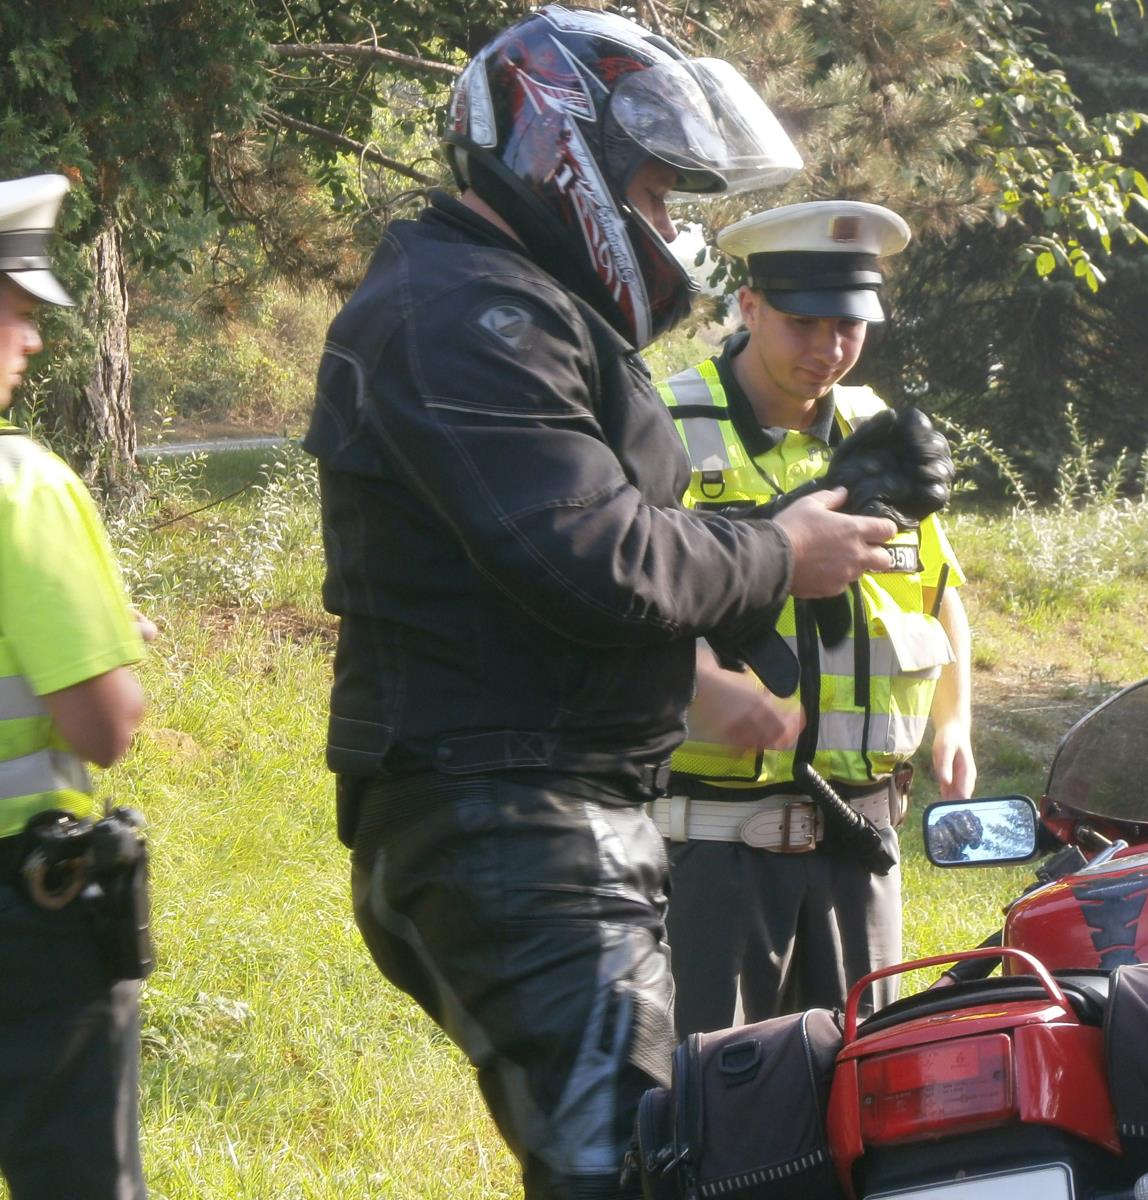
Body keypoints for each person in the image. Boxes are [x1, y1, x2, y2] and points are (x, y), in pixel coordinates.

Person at [302, 9, 898, 1198]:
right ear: (558, 146)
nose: (670, 226)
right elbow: (589, 554)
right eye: (661, 191)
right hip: (509, 818)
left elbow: (573, 566)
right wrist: (776, 553)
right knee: (626, 1177)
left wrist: (782, 557)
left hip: (544, 810)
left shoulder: (506, 302)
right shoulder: (466, 317)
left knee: (678, 1157)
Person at [655, 200, 976, 1035]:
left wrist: (955, 724)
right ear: (750, 306)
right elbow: (622, 608)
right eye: (803, 323)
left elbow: (939, 594)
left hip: (863, 844)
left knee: (866, 1103)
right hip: (718, 849)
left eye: (849, 324)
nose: (828, 349)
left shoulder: (882, 433)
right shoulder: (665, 429)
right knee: (717, 1114)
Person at [0, 173, 151, 1199]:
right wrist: (112, 646)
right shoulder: (23, 487)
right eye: (17, 311)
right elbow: (103, 726)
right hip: (29, 927)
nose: (34, 341)